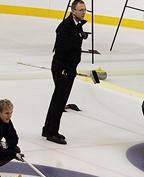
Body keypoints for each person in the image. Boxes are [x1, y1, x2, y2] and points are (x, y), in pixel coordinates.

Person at [42, 0, 88, 145]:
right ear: (73, 10)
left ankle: (47, 128)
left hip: (68, 68)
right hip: (63, 68)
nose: (83, 12)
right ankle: (52, 132)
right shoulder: (65, 26)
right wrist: (65, 70)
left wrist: (81, 35)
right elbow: (62, 49)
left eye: (84, 10)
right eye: (80, 10)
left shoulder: (76, 25)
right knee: (60, 101)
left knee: (58, 99)